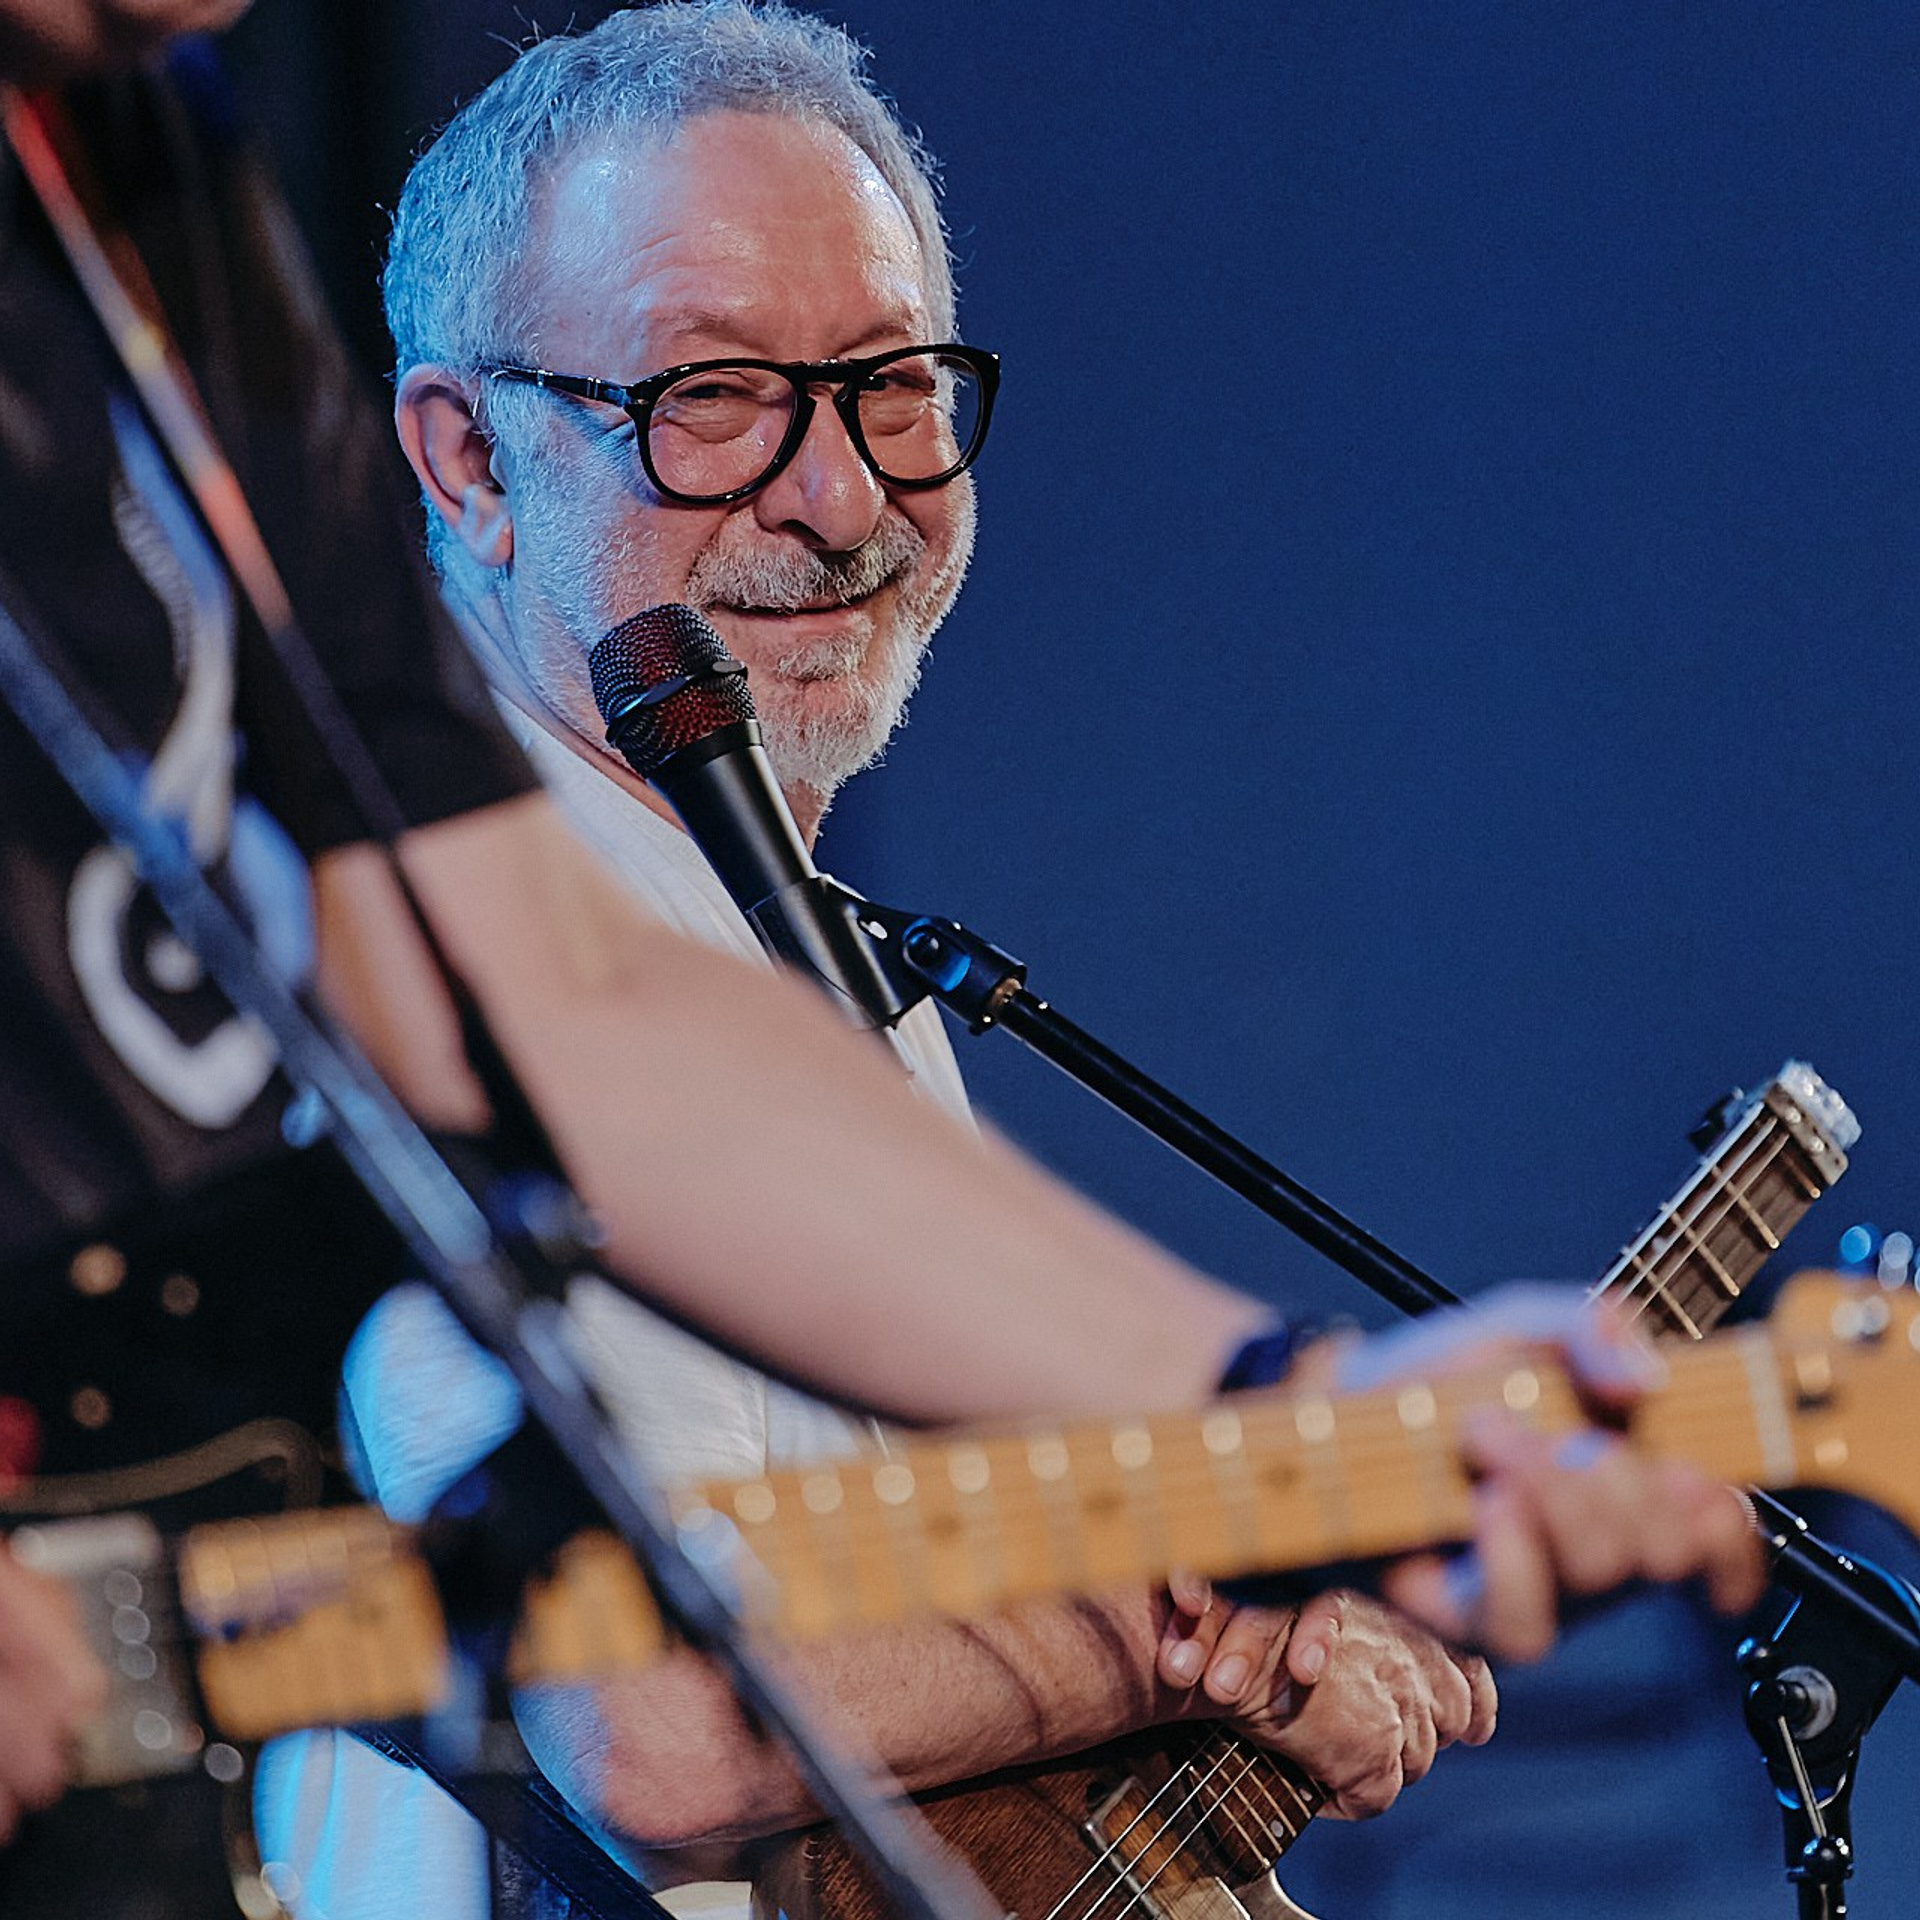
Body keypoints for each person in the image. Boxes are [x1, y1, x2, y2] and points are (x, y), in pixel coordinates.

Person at [0, 0, 1758, 1913]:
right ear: (469, 462)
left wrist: (1298, 1427)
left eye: (891, 389)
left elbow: (563, 1014)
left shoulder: (140, 166)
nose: (839, 501)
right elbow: (655, 1726)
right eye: (712, 398)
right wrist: (1230, 1579)